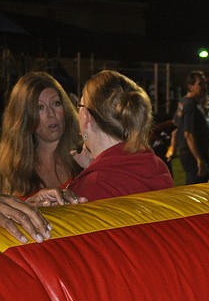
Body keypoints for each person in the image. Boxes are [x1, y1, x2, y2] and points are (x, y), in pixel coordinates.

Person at [35, 70, 172, 202]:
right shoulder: (157, 167)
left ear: (87, 117)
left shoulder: (93, 186)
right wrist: (92, 166)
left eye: (80, 106)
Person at [0, 72, 83, 200]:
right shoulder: (9, 168)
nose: (51, 114)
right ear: (24, 117)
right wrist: (31, 204)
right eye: (40, 108)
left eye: (56, 103)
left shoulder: (84, 155)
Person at [168, 70, 209, 184]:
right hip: (193, 153)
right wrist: (199, 159)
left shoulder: (184, 102)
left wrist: (172, 150)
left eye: (205, 83)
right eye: (200, 84)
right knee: (197, 187)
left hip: (188, 152)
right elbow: (188, 134)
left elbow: (175, 128)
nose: (204, 87)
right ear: (190, 86)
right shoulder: (190, 105)